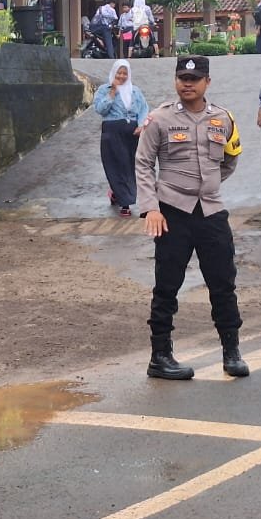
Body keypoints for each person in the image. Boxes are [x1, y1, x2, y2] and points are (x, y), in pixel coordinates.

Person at [134, 55, 249, 380]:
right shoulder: (158, 119)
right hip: (172, 214)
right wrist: (151, 207)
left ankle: (232, 351)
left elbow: (230, 159)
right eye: (182, 77)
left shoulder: (223, 119)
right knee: (166, 286)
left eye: (194, 78)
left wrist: (207, 185)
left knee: (223, 283)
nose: (187, 83)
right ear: (175, 81)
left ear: (207, 83)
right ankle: (160, 356)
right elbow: (143, 164)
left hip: (211, 213)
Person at [93, 59, 149, 217]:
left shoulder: (135, 91)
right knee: (117, 166)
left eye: (125, 73)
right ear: (114, 73)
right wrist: (112, 92)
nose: (122, 76)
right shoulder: (104, 89)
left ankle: (117, 194)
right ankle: (126, 203)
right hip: (112, 132)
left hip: (131, 133)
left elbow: (144, 109)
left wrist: (141, 125)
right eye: (119, 73)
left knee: (130, 166)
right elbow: (100, 109)